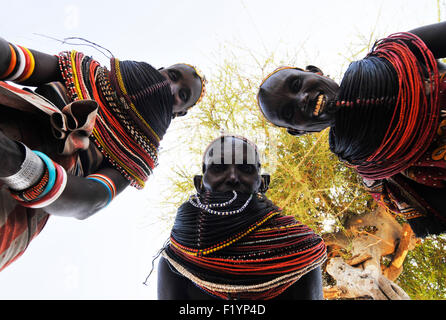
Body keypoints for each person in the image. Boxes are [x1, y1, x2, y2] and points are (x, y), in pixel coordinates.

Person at [0, 37, 206, 271]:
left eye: (182, 95)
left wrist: (12, 161)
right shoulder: (82, 71)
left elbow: (89, 201)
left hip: (12, 204)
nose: (171, 87)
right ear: (160, 69)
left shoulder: (136, 157)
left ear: (179, 113)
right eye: (173, 75)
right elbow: (11, 59)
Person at [256, 21, 446, 238]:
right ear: (299, 131)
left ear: (316, 72)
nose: (302, 99)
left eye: (296, 84)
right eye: (289, 112)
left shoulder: (395, 54)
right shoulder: (381, 177)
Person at [157, 135, 327, 300]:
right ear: (199, 183)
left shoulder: (298, 251)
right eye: (218, 167)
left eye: (245, 168)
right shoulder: (177, 260)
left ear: (263, 183)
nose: (232, 177)